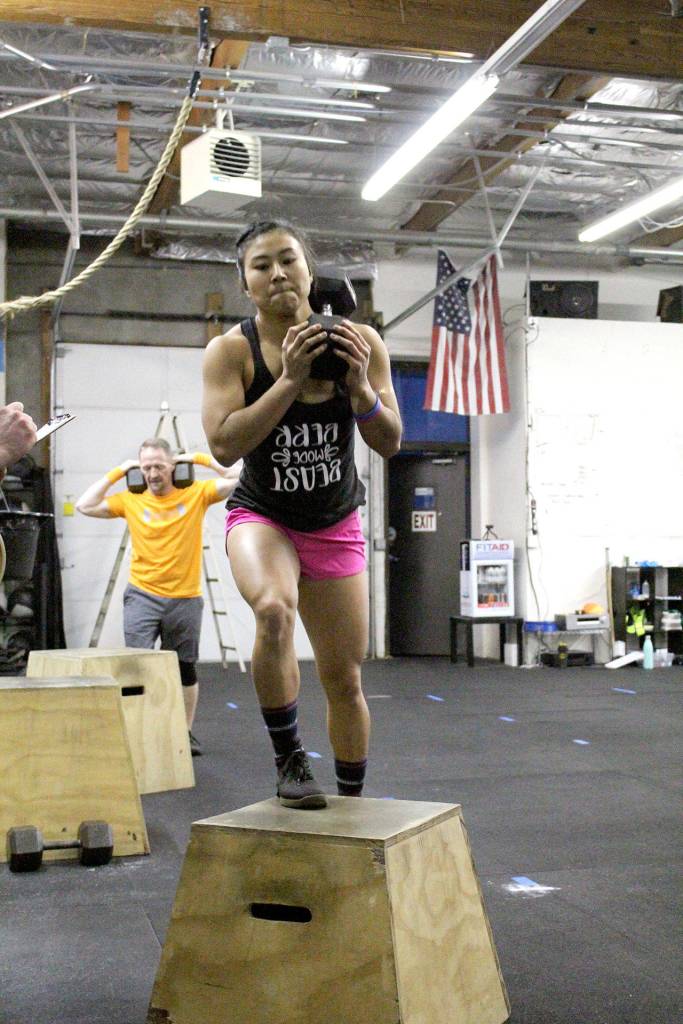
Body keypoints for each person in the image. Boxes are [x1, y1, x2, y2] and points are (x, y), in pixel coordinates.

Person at [201, 219, 402, 808]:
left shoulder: (361, 341)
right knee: (272, 610)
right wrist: (288, 379)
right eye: (261, 265)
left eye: (287, 259)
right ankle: (290, 761)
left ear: (309, 272)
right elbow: (224, 445)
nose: (277, 273)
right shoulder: (231, 352)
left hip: (335, 523)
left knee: (344, 679)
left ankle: (353, 804)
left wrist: (361, 388)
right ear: (246, 284)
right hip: (264, 517)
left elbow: (389, 442)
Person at [75, 439, 239, 756]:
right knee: (138, 668)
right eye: (146, 467)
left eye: (159, 466)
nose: (152, 473)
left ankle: (185, 731)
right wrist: (118, 472)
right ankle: (138, 730)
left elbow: (238, 478)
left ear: (173, 467)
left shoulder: (196, 494)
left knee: (184, 669)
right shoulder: (129, 500)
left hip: (185, 597)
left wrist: (202, 459)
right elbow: (84, 505)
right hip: (142, 596)